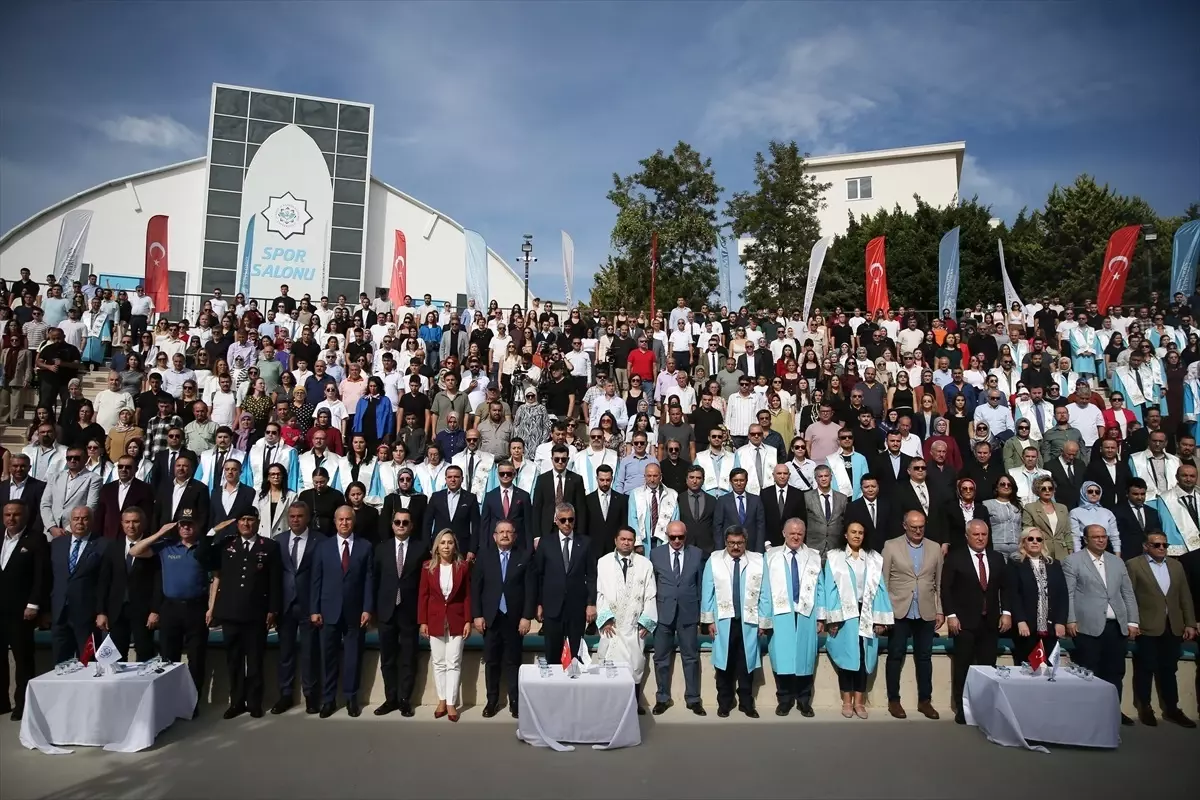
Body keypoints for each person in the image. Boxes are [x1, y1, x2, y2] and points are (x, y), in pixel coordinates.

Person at [130, 509, 214, 703]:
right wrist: (160, 533)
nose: (186, 527)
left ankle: (192, 701)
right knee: (169, 658)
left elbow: (216, 577)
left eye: (190, 524)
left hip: (196, 607)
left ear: (197, 526)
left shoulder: (204, 548)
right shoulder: (167, 546)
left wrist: (211, 608)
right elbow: (134, 551)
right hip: (170, 608)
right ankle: (169, 702)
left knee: (196, 658)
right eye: (182, 524)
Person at [208, 508, 282, 719]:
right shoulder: (227, 544)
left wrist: (273, 609)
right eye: (242, 520)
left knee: (256, 662)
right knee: (234, 661)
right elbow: (203, 556)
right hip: (231, 614)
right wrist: (213, 532)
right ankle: (237, 702)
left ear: (257, 522)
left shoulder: (269, 546)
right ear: (237, 523)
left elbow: (275, 581)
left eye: (250, 520)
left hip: (256, 615)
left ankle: (255, 703)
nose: (246, 524)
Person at [1063, 524, 1140, 726]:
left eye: (1104, 536)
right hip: (1088, 627)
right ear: (1086, 539)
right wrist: (1070, 619)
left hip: (1116, 627)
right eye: (1096, 537)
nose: (1101, 540)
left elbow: (1128, 593)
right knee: (1089, 671)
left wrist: (1132, 621)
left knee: (1115, 672)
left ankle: (1113, 710)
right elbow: (1068, 594)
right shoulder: (1073, 561)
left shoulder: (1117, 562)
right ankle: (1089, 713)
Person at [821, 520, 894, 719]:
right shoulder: (835, 557)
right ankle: (846, 701)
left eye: (860, 533)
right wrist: (833, 618)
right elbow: (830, 588)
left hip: (866, 611)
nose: (857, 536)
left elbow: (880, 589)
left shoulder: (873, 558)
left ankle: (860, 702)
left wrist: (880, 619)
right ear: (845, 534)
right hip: (844, 613)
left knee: (863, 656)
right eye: (853, 532)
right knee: (847, 656)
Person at [1125, 530, 1197, 727]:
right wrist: (1132, 622)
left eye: (1164, 545)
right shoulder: (1134, 565)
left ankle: (1172, 709)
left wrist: (1189, 622)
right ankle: (1145, 707)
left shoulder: (1176, 566)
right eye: (1156, 545)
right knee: (1145, 668)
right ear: (1146, 546)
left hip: (1172, 626)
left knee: (1169, 669)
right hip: (1146, 626)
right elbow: (1128, 596)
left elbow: (1185, 596)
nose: (1162, 548)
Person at [942, 519, 1011, 724]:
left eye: (984, 535)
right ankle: (962, 709)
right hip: (964, 623)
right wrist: (951, 616)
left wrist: (1006, 612)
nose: (980, 538)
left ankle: (985, 708)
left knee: (988, 668)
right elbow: (946, 589)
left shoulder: (997, 558)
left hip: (990, 623)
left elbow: (1005, 588)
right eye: (976, 535)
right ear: (967, 536)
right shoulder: (956, 558)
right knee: (963, 667)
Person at [311, 506, 375, 718]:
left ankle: (351, 698)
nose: (344, 523)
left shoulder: (365, 547)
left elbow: (368, 580)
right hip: (328, 611)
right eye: (341, 519)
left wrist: (367, 608)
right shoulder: (323, 547)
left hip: (354, 613)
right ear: (335, 522)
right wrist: (314, 610)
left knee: (353, 658)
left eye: (348, 519)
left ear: (353, 521)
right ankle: (328, 700)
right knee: (328, 658)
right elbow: (316, 580)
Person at [882, 510, 944, 720]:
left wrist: (940, 610)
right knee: (895, 655)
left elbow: (939, 583)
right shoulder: (891, 546)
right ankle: (894, 700)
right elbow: (884, 582)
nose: (918, 530)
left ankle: (925, 701)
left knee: (925, 658)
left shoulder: (934, 548)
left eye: (921, 527)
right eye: (914, 527)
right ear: (904, 525)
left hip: (925, 610)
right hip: (899, 610)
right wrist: (883, 612)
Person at [758, 518, 823, 717]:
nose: (796, 536)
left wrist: (821, 617)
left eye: (800, 533)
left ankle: (804, 700)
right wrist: (764, 618)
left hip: (806, 613)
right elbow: (764, 589)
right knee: (782, 656)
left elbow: (820, 589)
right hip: (780, 613)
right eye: (792, 533)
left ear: (804, 534)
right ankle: (784, 699)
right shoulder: (771, 556)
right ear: (784, 533)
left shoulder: (813, 556)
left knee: (805, 657)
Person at [472, 520, 533, 718]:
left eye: (509, 532)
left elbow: (530, 590)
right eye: (501, 532)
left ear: (515, 535)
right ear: (494, 536)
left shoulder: (524, 555)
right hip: (491, 618)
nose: (505, 535)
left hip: (515, 620)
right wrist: (477, 615)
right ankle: (492, 701)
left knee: (513, 661)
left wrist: (526, 617)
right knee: (491, 661)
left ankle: (515, 702)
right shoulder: (484, 556)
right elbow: (476, 588)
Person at [702, 525, 765, 717]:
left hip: (749, 620)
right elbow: (707, 592)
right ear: (725, 542)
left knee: (746, 664)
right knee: (724, 664)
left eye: (739, 543)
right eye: (731, 543)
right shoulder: (714, 560)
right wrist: (709, 621)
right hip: (723, 621)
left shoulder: (758, 560)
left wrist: (763, 621)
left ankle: (747, 703)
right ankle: (725, 702)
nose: (735, 547)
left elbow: (765, 592)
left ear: (746, 542)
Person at [596, 527, 657, 711]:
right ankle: (609, 704)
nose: (626, 542)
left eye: (630, 540)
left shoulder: (645, 564)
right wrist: (605, 619)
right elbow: (600, 593)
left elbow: (651, 595)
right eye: (622, 539)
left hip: (633, 625)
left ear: (634, 541)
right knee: (609, 664)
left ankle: (633, 703)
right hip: (612, 626)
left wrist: (646, 620)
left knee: (635, 664)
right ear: (615, 540)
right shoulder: (603, 562)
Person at [271, 501, 324, 715]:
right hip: (285, 605)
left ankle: (311, 696)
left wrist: (317, 607)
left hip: (309, 605)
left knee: (310, 652)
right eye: (292, 516)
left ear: (307, 517)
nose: (295, 520)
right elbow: (274, 577)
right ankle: (285, 695)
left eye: (300, 516)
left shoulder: (320, 541)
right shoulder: (279, 541)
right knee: (285, 653)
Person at [371, 507, 423, 718]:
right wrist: (373, 609)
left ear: (411, 526)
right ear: (392, 525)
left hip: (410, 611)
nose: (401, 526)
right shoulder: (381, 549)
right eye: (397, 522)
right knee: (388, 659)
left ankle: (404, 700)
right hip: (386, 611)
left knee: (408, 658)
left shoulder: (421, 549)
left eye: (405, 522)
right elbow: (374, 580)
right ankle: (390, 698)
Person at [649, 520, 705, 716]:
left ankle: (693, 699)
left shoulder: (696, 554)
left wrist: (701, 614)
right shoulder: (655, 554)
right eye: (673, 537)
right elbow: (651, 585)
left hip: (688, 613)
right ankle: (662, 698)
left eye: (680, 536)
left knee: (691, 657)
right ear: (667, 535)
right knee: (661, 658)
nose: (677, 540)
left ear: (686, 535)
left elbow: (700, 585)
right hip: (663, 613)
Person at [0, 501, 48, 721]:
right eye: (8, 514)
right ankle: (1, 701)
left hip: (22, 610)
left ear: (25, 516)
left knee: (23, 658)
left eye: (16, 515)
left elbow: (42, 575)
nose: (11, 519)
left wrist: (34, 604)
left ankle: (22, 704)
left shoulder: (36, 539)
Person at [418, 529, 472, 721]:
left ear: (454, 545)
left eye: (450, 542)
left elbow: (466, 595)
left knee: (454, 662)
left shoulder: (463, 566)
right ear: (437, 547)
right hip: (434, 619)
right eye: (443, 543)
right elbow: (423, 596)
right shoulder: (427, 567)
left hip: (457, 620)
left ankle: (451, 702)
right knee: (439, 662)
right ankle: (441, 699)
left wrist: (468, 620)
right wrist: (422, 621)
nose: (446, 546)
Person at [532, 502, 597, 661]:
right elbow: (538, 575)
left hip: (577, 606)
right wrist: (538, 603)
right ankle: (553, 685)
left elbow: (591, 575)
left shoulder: (586, 543)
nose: (567, 523)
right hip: (552, 605)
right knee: (553, 651)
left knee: (575, 654)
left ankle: (574, 685)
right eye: (563, 520)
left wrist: (591, 603)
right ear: (556, 520)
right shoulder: (545, 543)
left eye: (570, 519)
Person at [96, 507, 160, 662]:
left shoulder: (153, 548)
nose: (131, 526)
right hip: (117, 611)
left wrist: (155, 610)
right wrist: (101, 611)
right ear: (122, 524)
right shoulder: (112, 547)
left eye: (135, 521)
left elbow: (158, 581)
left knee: (145, 655)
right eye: (127, 522)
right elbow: (104, 581)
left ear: (143, 523)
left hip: (143, 612)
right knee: (116, 659)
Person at [49, 506, 107, 661]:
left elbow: (104, 581)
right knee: (60, 663)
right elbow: (50, 577)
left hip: (87, 614)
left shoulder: (103, 545)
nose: (80, 522)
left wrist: (101, 611)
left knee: (89, 662)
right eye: (76, 519)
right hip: (60, 612)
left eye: (85, 518)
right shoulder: (57, 544)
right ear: (70, 521)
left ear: (92, 521)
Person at [1006, 526, 1068, 667]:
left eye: (1039, 539)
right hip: (1026, 628)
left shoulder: (1054, 564)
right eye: (1030, 539)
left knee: (1049, 670)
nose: (1035, 542)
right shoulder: (1016, 564)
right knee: (1028, 668)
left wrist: (1060, 621)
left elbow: (1062, 595)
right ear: (1023, 542)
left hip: (1050, 627)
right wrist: (1020, 620)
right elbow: (1013, 594)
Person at [40, 445, 102, 535]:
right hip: (51, 532)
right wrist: (51, 527)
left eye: (76, 458)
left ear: (85, 459)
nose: (72, 460)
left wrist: (69, 529)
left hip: (76, 531)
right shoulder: (55, 477)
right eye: (69, 458)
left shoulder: (94, 479)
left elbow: (91, 506)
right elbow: (45, 504)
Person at [802, 465, 847, 554]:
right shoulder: (806, 497)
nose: (823, 479)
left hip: (836, 547)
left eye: (826, 476)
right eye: (820, 476)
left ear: (831, 477)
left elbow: (846, 522)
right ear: (815, 478)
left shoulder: (842, 498)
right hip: (813, 546)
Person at [1069, 481, 1120, 555]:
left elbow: (1115, 536)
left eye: (1097, 492)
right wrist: (1078, 556)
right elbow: (1075, 537)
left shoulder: (1108, 512)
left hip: (1106, 549)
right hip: (1085, 549)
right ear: (1083, 493)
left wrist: (1117, 556)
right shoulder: (1075, 512)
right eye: (1090, 491)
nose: (1094, 494)